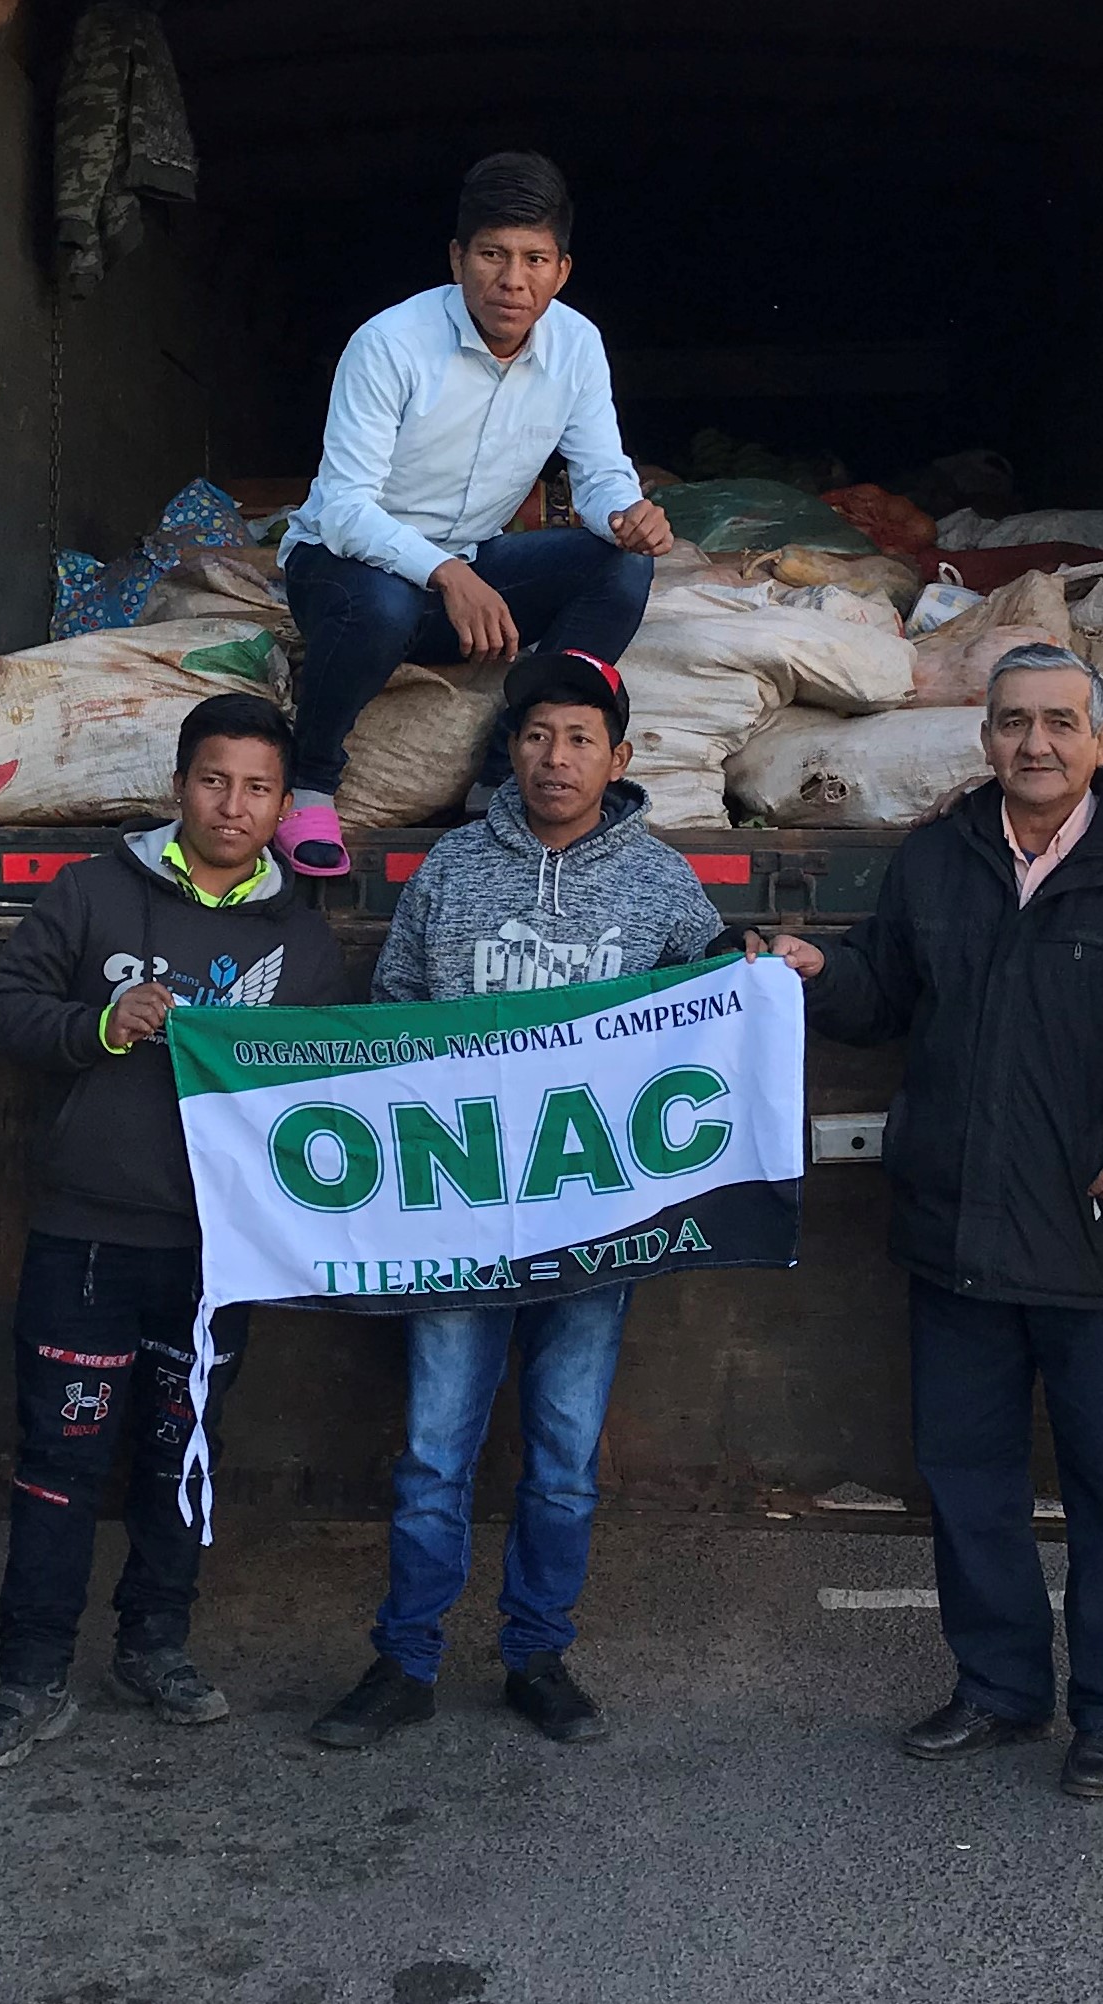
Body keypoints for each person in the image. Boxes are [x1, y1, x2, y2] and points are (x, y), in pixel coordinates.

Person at [745, 645, 1103, 1800]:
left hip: (1094, 1228)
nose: (1033, 743)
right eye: (1011, 722)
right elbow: (888, 992)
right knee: (966, 1472)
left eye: (1058, 721)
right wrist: (816, 969)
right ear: (984, 736)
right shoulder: (939, 856)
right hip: (954, 1226)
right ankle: (998, 1685)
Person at [308, 649, 728, 1751]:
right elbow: (394, 1009)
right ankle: (405, 1660)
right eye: (538, 735)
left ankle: (537, 1654)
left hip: (595, 1224)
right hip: (459, 1218)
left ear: (618, 759)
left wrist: (766, 976)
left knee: (563, 1455)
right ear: (511, 750)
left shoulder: (659, 881)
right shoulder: (451, 869)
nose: (556, 757)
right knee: (433, 1452)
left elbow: (714, 1010)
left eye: (581, 738)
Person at [0, 694, 353, 1770]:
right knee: (60, 1460)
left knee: (182, 1456)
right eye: (214, 780)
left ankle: (154, 1644)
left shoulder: (301, 941)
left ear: (284, 807)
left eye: (258, 788)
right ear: (178, 786)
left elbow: (328, 1092)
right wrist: (99, 1024)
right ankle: (29, 1676)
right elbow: (1, 1008)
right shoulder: (94, 893)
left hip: (216, 1255)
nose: (233, 805)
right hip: (85, 1239)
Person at [273, 153, 678, 879]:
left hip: (471, 565)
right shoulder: (389, 344)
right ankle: (310, 784)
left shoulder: (577, 345)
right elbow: (342, 507)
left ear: (562, 270)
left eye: (534, 259)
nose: (512, 280)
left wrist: (626, 514)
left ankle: (499, 778)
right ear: (457, 258)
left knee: (621, 567)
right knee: (384, 605)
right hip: (344, 570)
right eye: (493, 255)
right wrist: (446, 573)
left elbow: (599, 474)